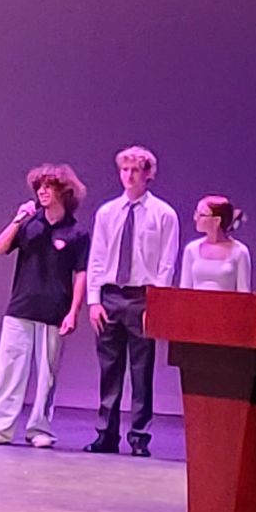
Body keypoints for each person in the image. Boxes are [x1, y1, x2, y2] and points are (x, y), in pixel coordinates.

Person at [0, 163, 89, 448]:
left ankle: (40, 428)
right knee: (9, 370)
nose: (42, 192)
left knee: (46, 376)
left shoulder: (76, 232)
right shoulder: (29, 224)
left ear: (64, 192)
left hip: (54, 311)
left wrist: (73, 312)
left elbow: (81, 274)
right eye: (39, 187)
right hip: (21, 307)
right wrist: (18, 220)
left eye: (48, 187)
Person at [84, 145, 179, 458]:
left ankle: (139, 436)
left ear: (148, 174)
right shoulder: (107, 212)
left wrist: (158, 303)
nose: (129, 176)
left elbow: (166, 263)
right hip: (111, 295)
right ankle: (106, 434)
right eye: (125, 170)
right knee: (109, 368)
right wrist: (94, 300)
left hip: (142, 297)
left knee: (141, 370)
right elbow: (97, 258)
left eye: (135, 170)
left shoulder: (163, 214)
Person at [179, 195, 252, 292]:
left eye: (201, 215)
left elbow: (243, 292)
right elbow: (184, 289)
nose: (196, 218)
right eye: (196, 213)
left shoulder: (240, 251)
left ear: (217, 220)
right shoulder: (191, 249)